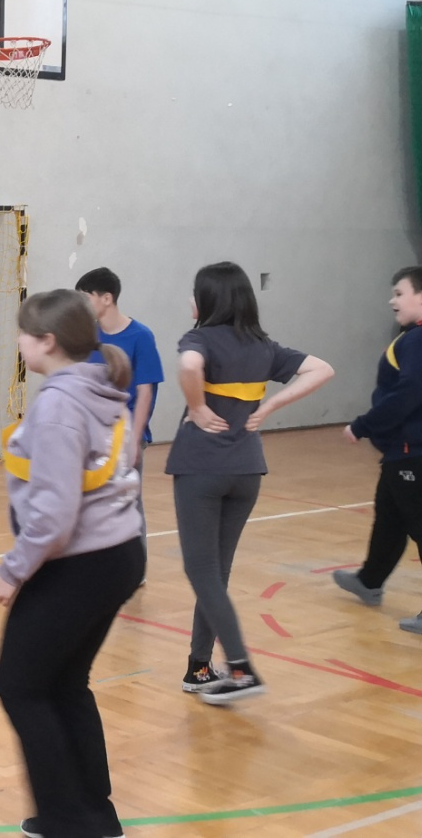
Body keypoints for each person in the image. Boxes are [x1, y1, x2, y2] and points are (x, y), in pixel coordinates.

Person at [0, 289, 144, 838]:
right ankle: (93, 816)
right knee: (65, 683)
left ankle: (68, 821)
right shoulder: (98, 386)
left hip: (82, 561)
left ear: (47, 341)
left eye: (24, 333)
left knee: (20, 684)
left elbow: (54, 514)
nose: (18, 342)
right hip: (118, 553)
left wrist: (12, 570)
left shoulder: (58, 404)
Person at [166, 262, 334, 703]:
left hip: (202, 468)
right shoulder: (263, 346)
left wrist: (197, 407)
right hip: (246, 471)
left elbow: (188, 365)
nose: (190, 300)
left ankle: (240, 668)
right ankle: (199, 667)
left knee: (202, 571)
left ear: (207, 300)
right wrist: (271, 406)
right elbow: (322, 369)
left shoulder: (199, 339)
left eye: (195, 292)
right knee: (215, 574)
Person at [335, 265, 422, 636]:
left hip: (421, 448)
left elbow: (409, 392)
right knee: (390, 515)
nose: (392, 301)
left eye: (399, 293)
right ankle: (369, 581)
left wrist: (363, 425)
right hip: (412, 448)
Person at [75, 267, 163, 553]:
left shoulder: (141, 336)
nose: (82, 305)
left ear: (106, 298)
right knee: (90, 504)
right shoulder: (87, 336)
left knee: (128, 504)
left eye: (86, 297)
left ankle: (136, 566)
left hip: (124, 434)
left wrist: (134, 440)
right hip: (91, 434)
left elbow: (146, 391)